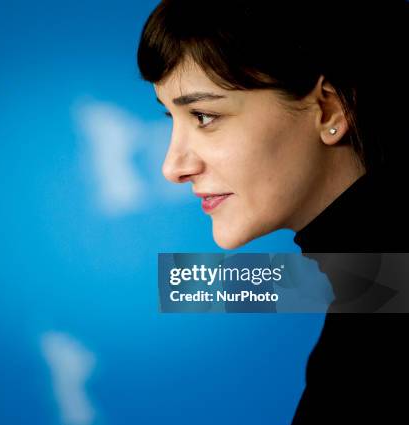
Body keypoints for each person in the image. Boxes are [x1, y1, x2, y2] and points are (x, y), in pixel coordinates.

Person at [136, 0, 409, 422]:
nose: (173, 167)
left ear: (329, 110)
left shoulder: (378, 333)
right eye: (171, 116)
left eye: (204, 116)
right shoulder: (378, 288)